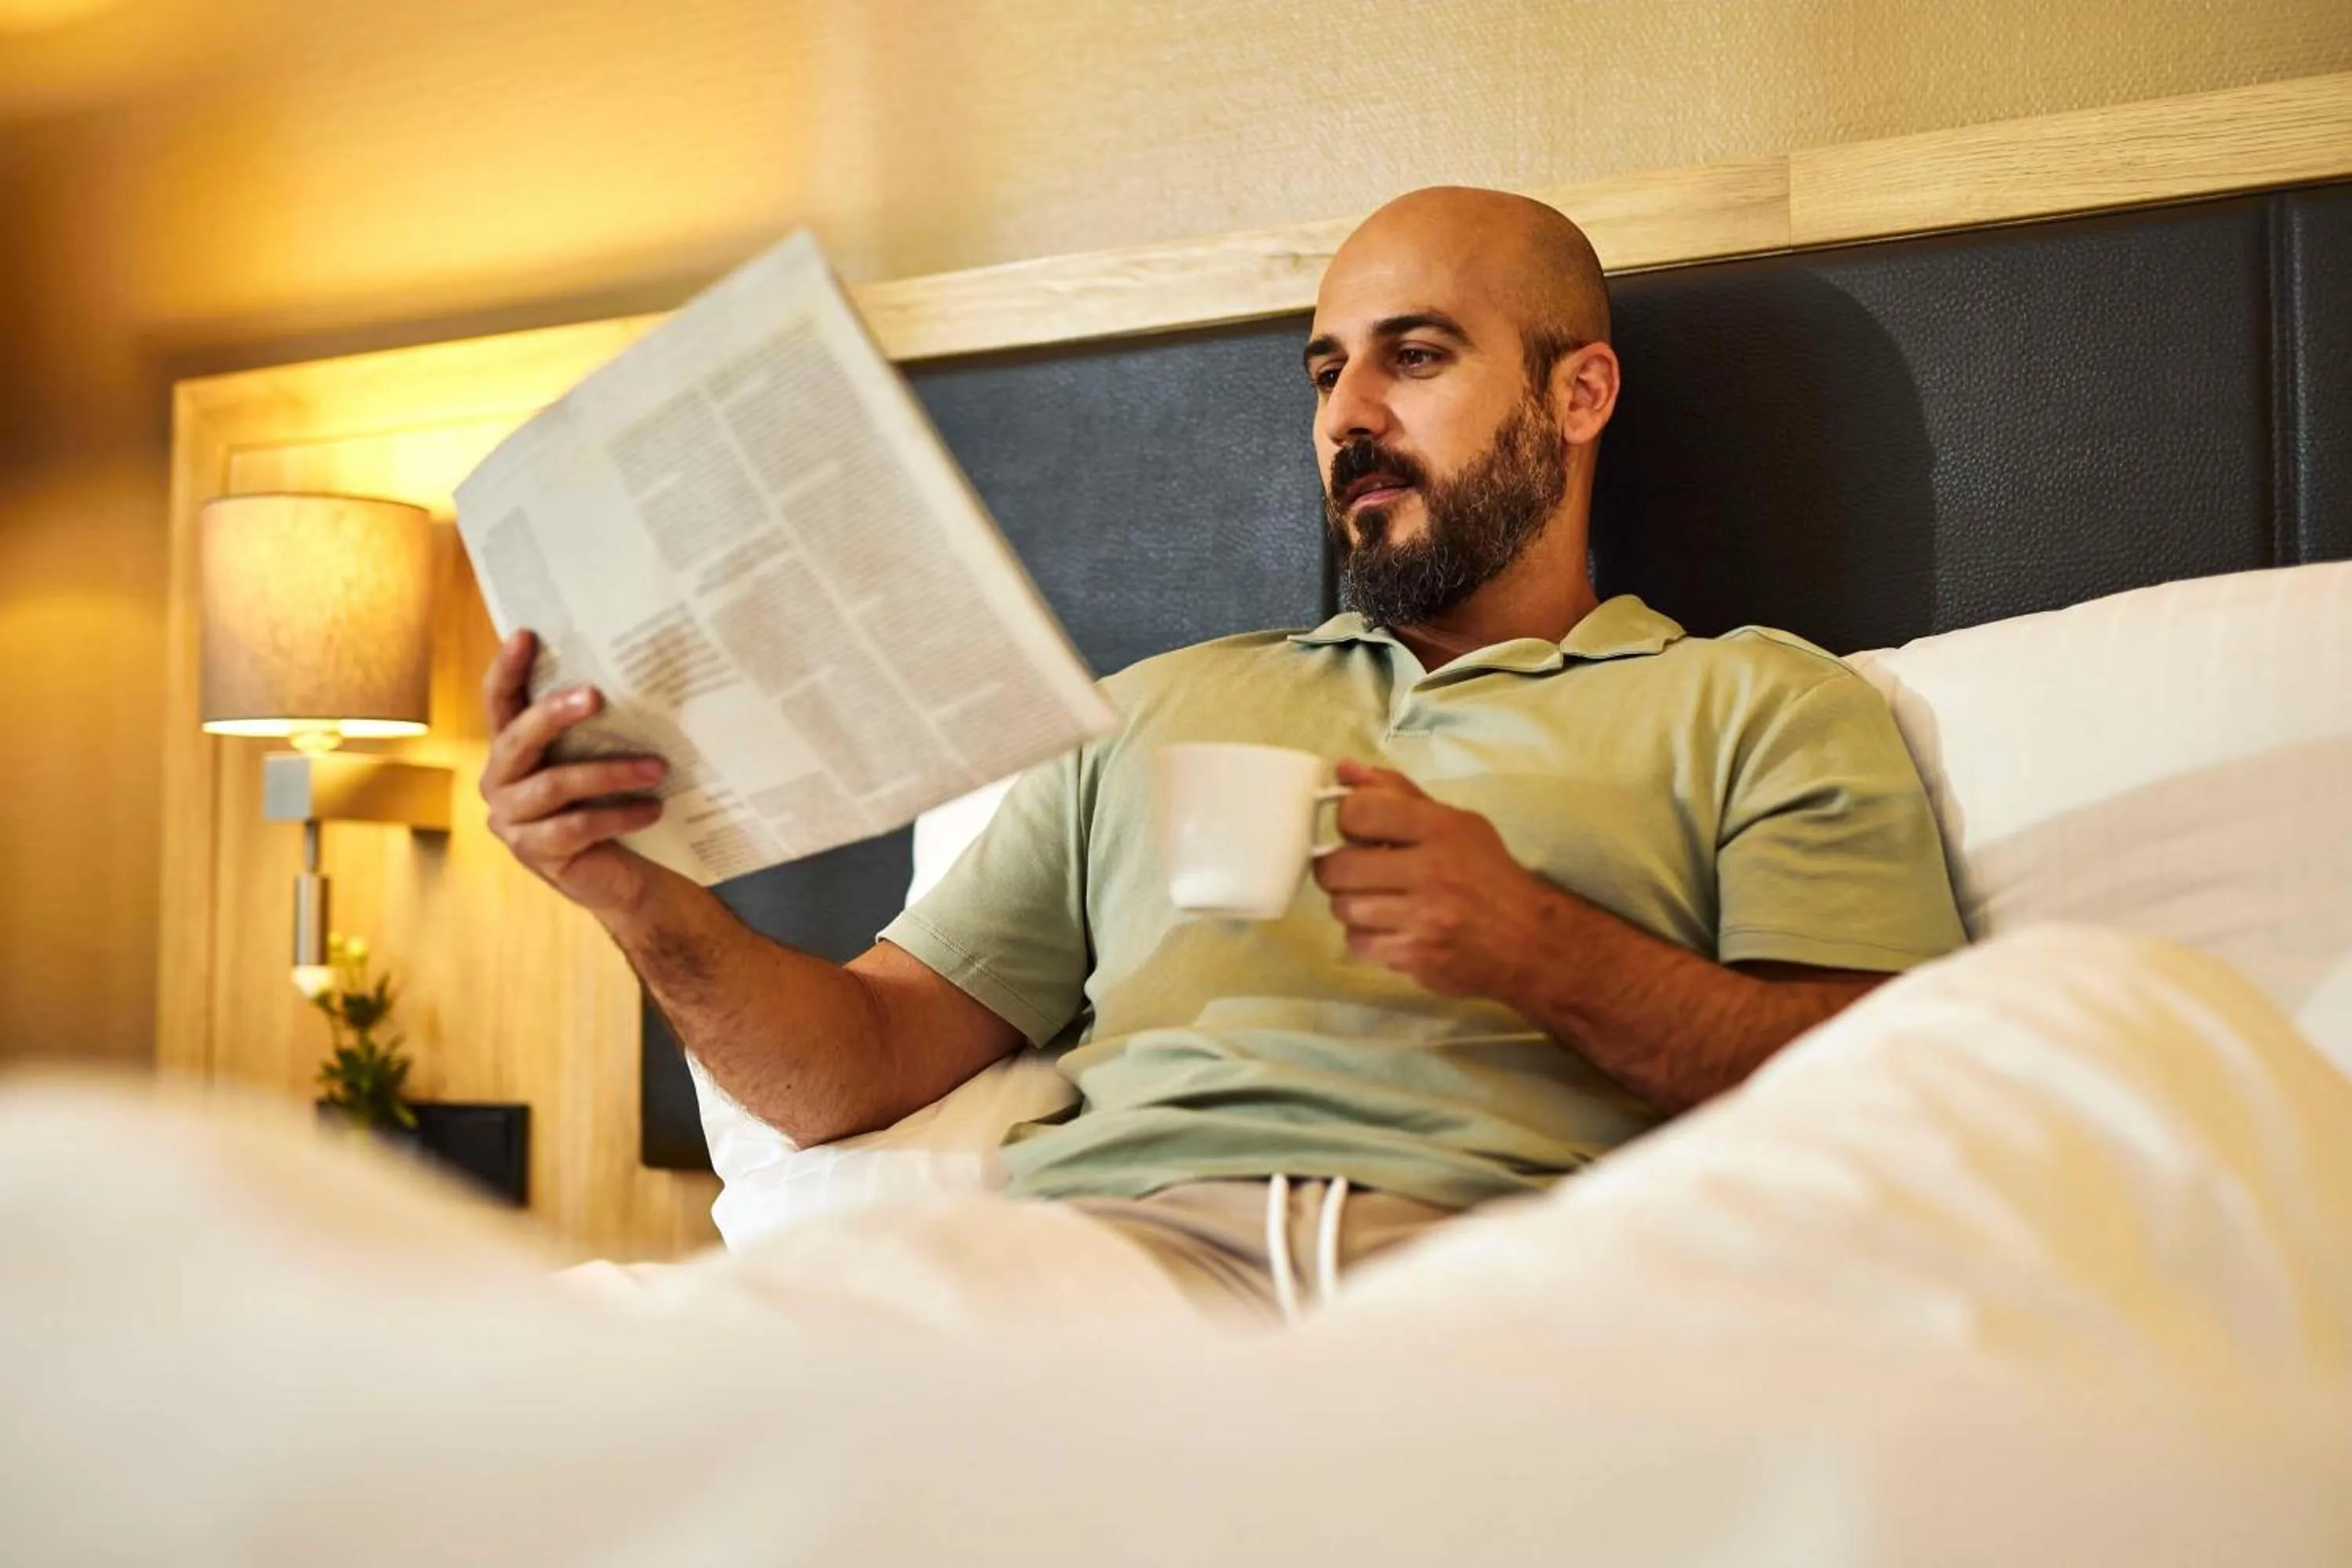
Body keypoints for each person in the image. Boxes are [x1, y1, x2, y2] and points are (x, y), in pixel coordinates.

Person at [477, 187, 1968, 1322]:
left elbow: (1892, 1106)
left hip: (1499, 1285)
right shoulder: (1147, 711)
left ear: (1578, 395)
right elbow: (850, 1071)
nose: (1348, 417)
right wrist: (638, 898)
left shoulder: (1760, 705)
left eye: (1416, 357)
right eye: (1325, 374)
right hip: (1098, 1276)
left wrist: (1538, 946)